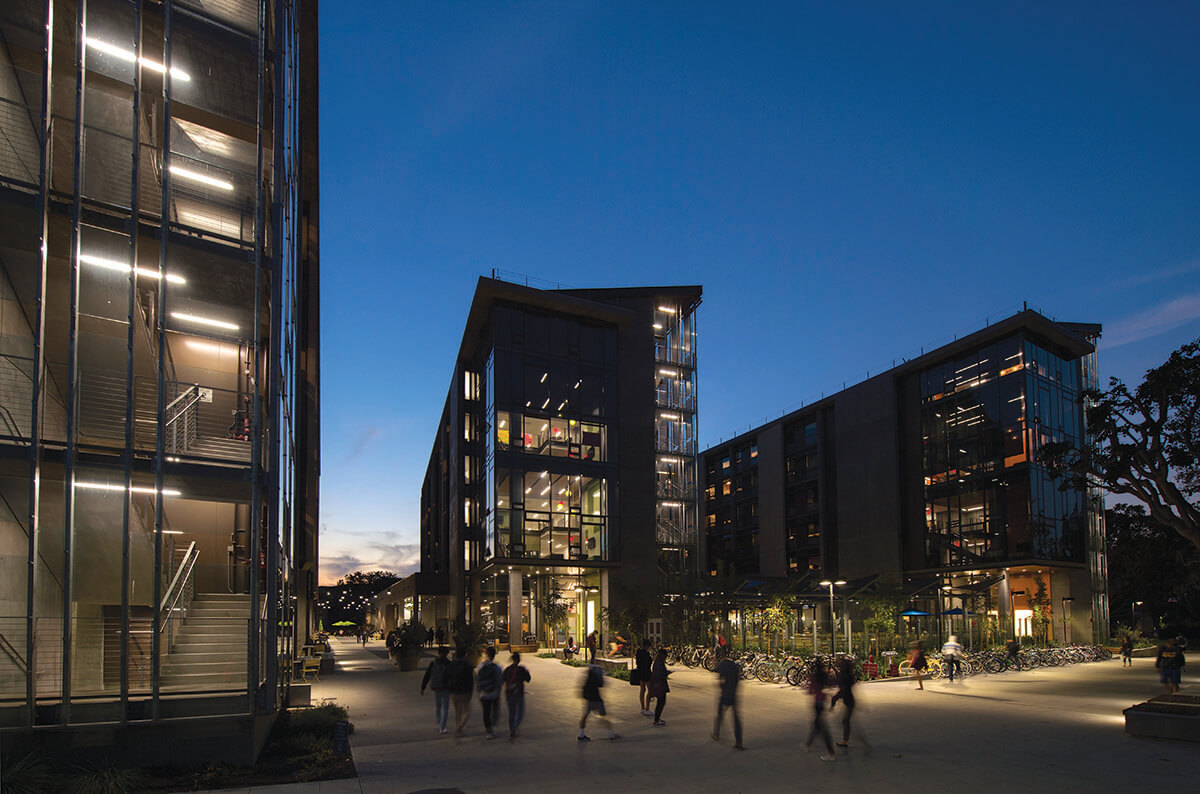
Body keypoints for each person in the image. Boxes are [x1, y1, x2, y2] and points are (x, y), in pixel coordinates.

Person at [578, 663, 619, 741]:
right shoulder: (596, 676)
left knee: (585, 716)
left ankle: (581, 734)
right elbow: (601, 684)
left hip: (589, 699)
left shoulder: (588, 678)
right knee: (604, 716)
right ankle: (612, 734)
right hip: (596, 699)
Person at [712, 647, 743, 749]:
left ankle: (716, 734)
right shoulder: (734, 665)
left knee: (720, 714)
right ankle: (739, 741)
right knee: (736, 718)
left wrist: (722, 689)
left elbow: (720, 680)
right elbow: (738, 679)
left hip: (725, 694)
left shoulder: (722, 664)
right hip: (733, 693)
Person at [805, 658, 836, 761]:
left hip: (817, 703)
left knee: (822, 727)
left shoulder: (813, 677)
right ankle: (808, 744)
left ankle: (831, 753)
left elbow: (810, 691)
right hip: (823, 702)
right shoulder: (824, 676)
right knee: (817, 724)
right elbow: (831, 684)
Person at [830, 656, 862, 750]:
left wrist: (834, 700)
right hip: (849, 701)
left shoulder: (844, 676)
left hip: (849, 701)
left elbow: (842, 690)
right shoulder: (848, 675)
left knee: (845, 721)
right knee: (845, 721)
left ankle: (846, 740)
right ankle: (845, 739)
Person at [419, 646, 451, 735]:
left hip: (437, 687)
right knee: (446, 708)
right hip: (447, 688)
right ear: (447, 653)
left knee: (438, 705)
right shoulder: (449, 664)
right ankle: (443, 727)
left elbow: (427, 675)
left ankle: (438, 721)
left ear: (438, 653)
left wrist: (423, 687)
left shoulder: (433, 663)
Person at [446, 648, 475, 736]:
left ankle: (458, 726)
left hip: (454, 691)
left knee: (457, 711)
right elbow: (470, 680)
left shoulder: (452, 665)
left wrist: (449, 688)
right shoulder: (468, 666)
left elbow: (447, 677)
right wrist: (470, 691)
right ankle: (460, 726)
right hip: (465, 691)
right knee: (467, 711)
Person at [476, 646, 503, 739]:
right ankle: (492, 726)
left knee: (486, 712)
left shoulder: (481, 666)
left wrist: (479, 689)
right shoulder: (497, 667)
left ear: (486, 654)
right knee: (495, 711)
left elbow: (478, 679)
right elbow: (500, 681)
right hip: (494, 693)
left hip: (484, 694)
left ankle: (488, 730)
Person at [503, 651, 532, 738]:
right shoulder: (521, 669)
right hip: (519, 693)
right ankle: (515, 727)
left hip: (509, 693)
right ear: (519, 660)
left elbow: (503, 679)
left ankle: (512, 728)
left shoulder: (507, 669)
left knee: (512, 712)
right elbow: (528, 679)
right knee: (520, 712)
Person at [648, 648, 671, 726]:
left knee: (660, 702)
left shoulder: (657, 662)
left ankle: (657, 718)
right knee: (661, 702)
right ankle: (656, 720)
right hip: (660, 685)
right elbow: (660, 674)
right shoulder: (659, 663)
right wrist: (666, 673)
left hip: (658, 684)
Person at [635, 639, 654, 716]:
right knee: (649, 690)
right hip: (646, 672)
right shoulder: (645, 653)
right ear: (647, 646)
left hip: (640, 672)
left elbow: (638, 662)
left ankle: (642, 707)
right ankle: (647, 708)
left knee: (642, 690)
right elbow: (649, 662)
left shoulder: (638, 652)